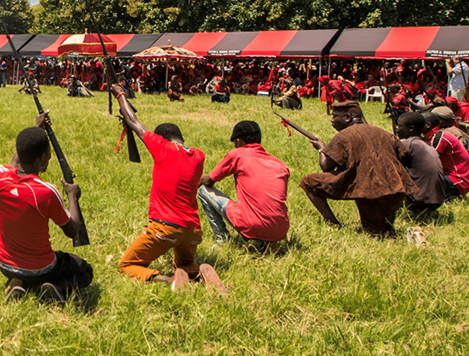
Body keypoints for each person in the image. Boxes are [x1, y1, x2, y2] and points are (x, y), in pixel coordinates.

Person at [110, 85, 225, 292]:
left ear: (161, 138)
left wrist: (120, 94)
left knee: (127, 265)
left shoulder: (161, 147)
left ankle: (167, 281)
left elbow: (135, 123)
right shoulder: (198, 156)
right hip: (192, 230)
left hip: (165, 228)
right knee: (183, 264)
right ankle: (197, 270)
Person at [0, 111, 93, 303]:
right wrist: (72, 197)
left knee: (23, 265)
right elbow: (72, 230)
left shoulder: (0, 176)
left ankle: (18, 282)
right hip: (41, 268)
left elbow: (15, 160)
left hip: (5, 264)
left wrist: (37, 129)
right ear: (42, 157)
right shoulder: (46, 191)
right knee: (85, 270)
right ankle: (56, 288)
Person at [298, 101, 419, 238]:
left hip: (368, 191)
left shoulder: (343, 136)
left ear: (348, 118)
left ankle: (333, 224)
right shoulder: (384, 133)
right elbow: (402, 154)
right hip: (395, 188)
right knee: (381, 230)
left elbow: (326, 166)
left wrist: (321, 149)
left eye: (334, 116)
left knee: (309, 182)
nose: (332, 120)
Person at [198, 121, 290, 252]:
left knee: (204, 190)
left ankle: (222, 240)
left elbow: (209, 181)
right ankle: (265, 242)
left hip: (251, 224)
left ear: (239, 141)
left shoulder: (237, 155)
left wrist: (193, 182)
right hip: (280, 228)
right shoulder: (280, 165)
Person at [395, 112, 447, 222]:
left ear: (411, 128)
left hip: (420, 200)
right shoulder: (424, 143)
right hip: (437, 200)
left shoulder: (408, 144)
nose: (397, 128)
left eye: (399, 125)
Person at [422, 108, 469, 198]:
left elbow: (430, 161)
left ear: (428, 125)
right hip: (453, 177)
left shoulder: (440, 136)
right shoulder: (433, 136)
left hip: (458, 181)